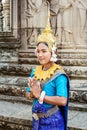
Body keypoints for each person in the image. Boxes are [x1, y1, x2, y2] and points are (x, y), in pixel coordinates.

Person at [25, 5, 70, 130]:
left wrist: (40, 95)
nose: (40, 54)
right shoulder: (35, 71)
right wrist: (31, 94)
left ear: (52, 52)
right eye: (38, 51)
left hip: (53, 121)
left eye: (44, 51)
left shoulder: (59, 74)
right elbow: (28, 94)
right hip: (36, 119)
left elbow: (62, 101)